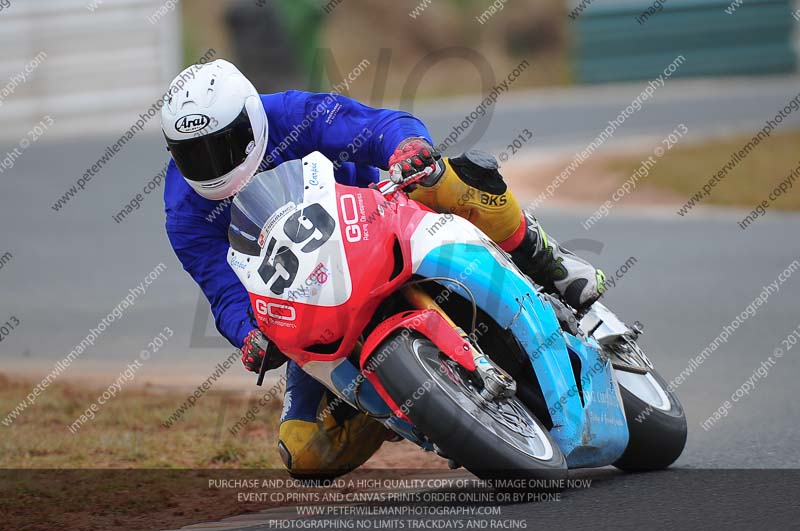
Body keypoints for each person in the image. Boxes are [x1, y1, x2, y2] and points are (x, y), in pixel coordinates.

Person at [161, 59, 605, 478]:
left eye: (222, 145)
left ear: (250, 119)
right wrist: (250, 336)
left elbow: (378, 125)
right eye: (193, 154)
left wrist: (407, 149)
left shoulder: (290, 113)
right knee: (303, 450)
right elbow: (223, 292)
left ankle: (543, 258)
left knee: (445, 175)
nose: (211, 164)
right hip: (314, 301)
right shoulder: (185, 211)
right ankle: (400, 404)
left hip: (380, 215)